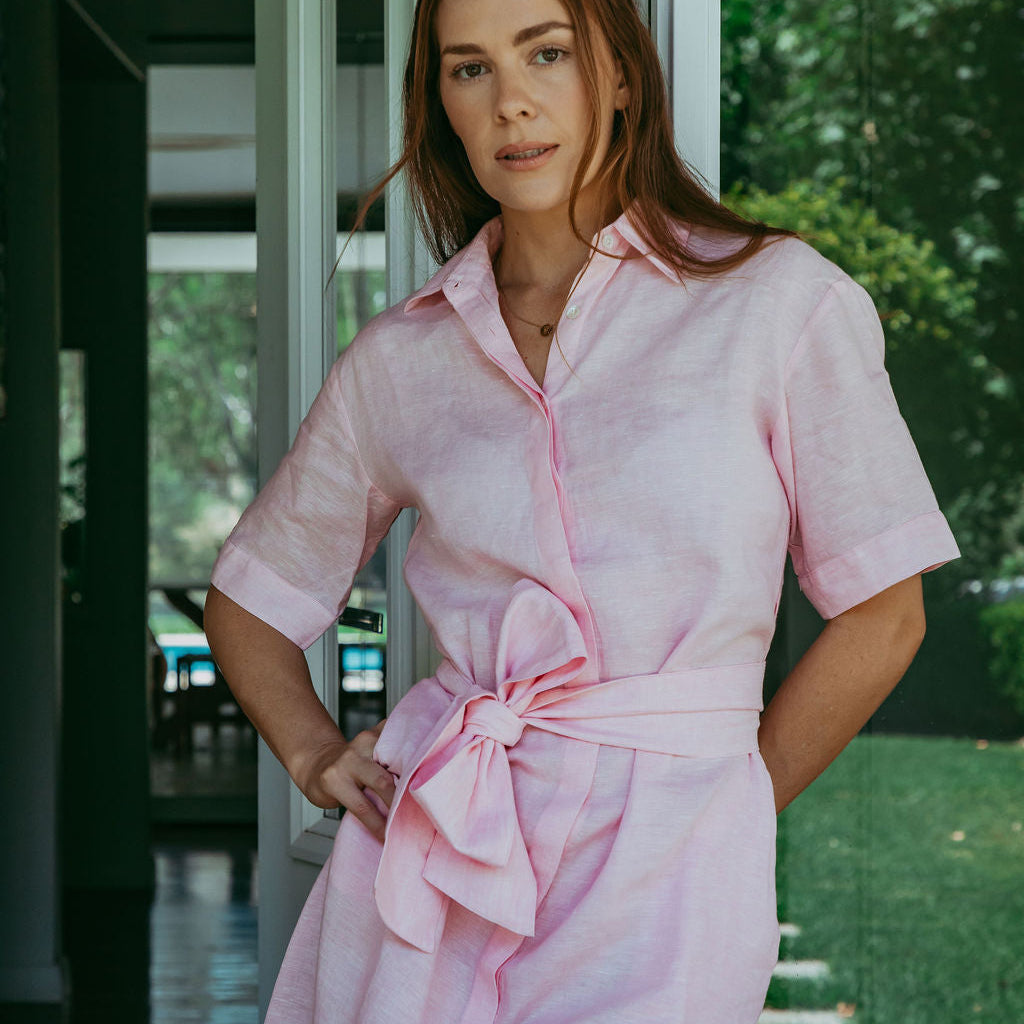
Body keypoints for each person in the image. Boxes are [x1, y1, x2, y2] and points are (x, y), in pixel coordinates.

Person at [203, 0, 961, 1020]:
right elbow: (252, 601)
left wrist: (729, 805)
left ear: (618, 75)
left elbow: (884, 610)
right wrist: (312, 750)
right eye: (467, 70)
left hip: (665, 888)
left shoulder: (779, 304)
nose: (511, 101)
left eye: (546, 53)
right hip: (438, 861)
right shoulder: (400, 361)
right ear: (443, 107)